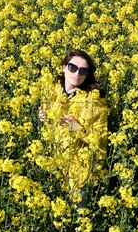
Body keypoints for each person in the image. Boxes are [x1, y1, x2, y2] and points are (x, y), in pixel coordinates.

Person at [38, 49, 108, 205]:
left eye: (83, 70)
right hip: (54, 162)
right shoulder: (53, 88)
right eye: (72, 67)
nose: (77, 73)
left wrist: (77, 128)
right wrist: (42, 114)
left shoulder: (93, 102)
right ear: (63, 67)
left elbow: (102, 139)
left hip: (79, 170)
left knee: (79, 215)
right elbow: (46, 110)